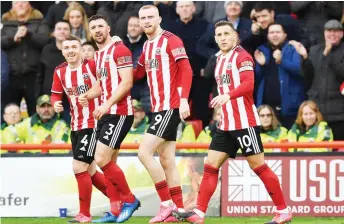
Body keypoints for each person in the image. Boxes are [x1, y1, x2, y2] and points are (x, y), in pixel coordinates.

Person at [172, 21, 292, 224]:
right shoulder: (219, 59)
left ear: (235, 36)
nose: (223, 38)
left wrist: (227, 96)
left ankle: (283, 211)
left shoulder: (242, 56)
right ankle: (199, 214)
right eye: (219, 34)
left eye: (227, 33)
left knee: (259, 167)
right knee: (210, 166)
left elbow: (248, 85)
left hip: (244, 122)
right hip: (226, 124)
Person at [134, 4, 193, 223]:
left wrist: (184, 99)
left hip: (170, 106)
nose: (147, 21)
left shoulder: (171, 40)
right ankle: (178, 210)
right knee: (167, 160)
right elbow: (137, 72)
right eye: (143, 18)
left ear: (159, 19)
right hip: (157, 108)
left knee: (144, 153)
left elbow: (186, 69)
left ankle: (166, 203)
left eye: (150, 17)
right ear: (139, 22)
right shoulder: (147, 46)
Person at [79, 14, 140, 223]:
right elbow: (102, 86)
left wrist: (106, 104)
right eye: (93, 27)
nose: (97, 30)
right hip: (107, 114)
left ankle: (130, 200)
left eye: (100, 26)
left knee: (101, 158)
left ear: (108, 28)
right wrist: (87, 95)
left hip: (120, 113)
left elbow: (127, 82)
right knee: (109, 162)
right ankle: (114, 211)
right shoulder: (98, 56)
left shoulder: (120, 49)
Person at [51, 35, 112, 223]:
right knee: (91, 172)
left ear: (81, 49)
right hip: (75, 125)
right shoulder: (59, 71)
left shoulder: (91, 66)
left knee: (78, 166)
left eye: (74, 47)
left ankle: (84, 214)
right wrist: (56, 105)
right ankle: (123, 200)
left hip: (93, 123)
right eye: (66, 47)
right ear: (62, 51)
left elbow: (106, 87)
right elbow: (55, 95)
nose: (70, 50)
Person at [254, 23, 304, 130]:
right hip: (267, 110)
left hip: (289, 108)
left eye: (278, 32)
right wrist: (261, 66)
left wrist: (282, 61)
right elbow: (256, 79)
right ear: (267, 36)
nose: (275, 35)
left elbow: (300, 70)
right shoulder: (262, 50)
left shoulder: (292, 48)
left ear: (285, 35)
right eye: (272, 32)